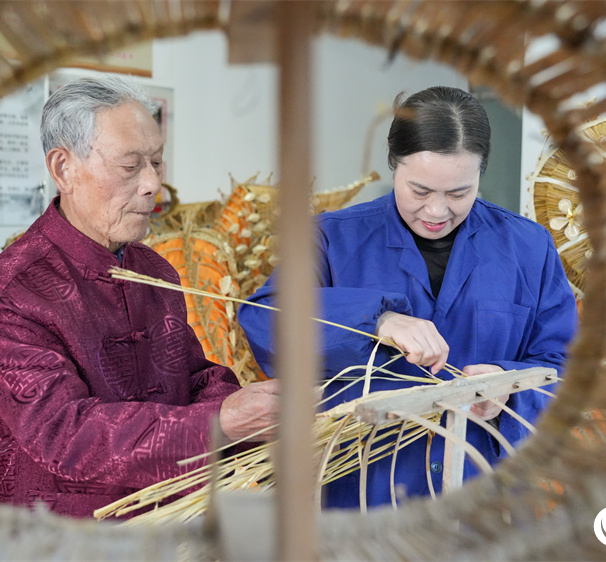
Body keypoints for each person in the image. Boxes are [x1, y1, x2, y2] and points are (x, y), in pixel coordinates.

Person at [238, 86, 577, 508]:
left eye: (459, 193)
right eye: (419, 191)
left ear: (481, 175)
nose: (437, 212)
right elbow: (265, 318)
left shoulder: (528, 247)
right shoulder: (331, 238)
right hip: (362, 494)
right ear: (393, 164)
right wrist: (376, 320)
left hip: (485, 497)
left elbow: (563, 369)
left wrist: (508, 388)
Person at [0, 75, 278, 518]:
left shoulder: (153, 270)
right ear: (63, 169)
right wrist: (219, 423)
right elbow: (64, 435)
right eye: (131, 167)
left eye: (157, 162)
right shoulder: (6, 294)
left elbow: (191, 376)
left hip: (173, 515)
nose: (152, 185)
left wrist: (246, 407)